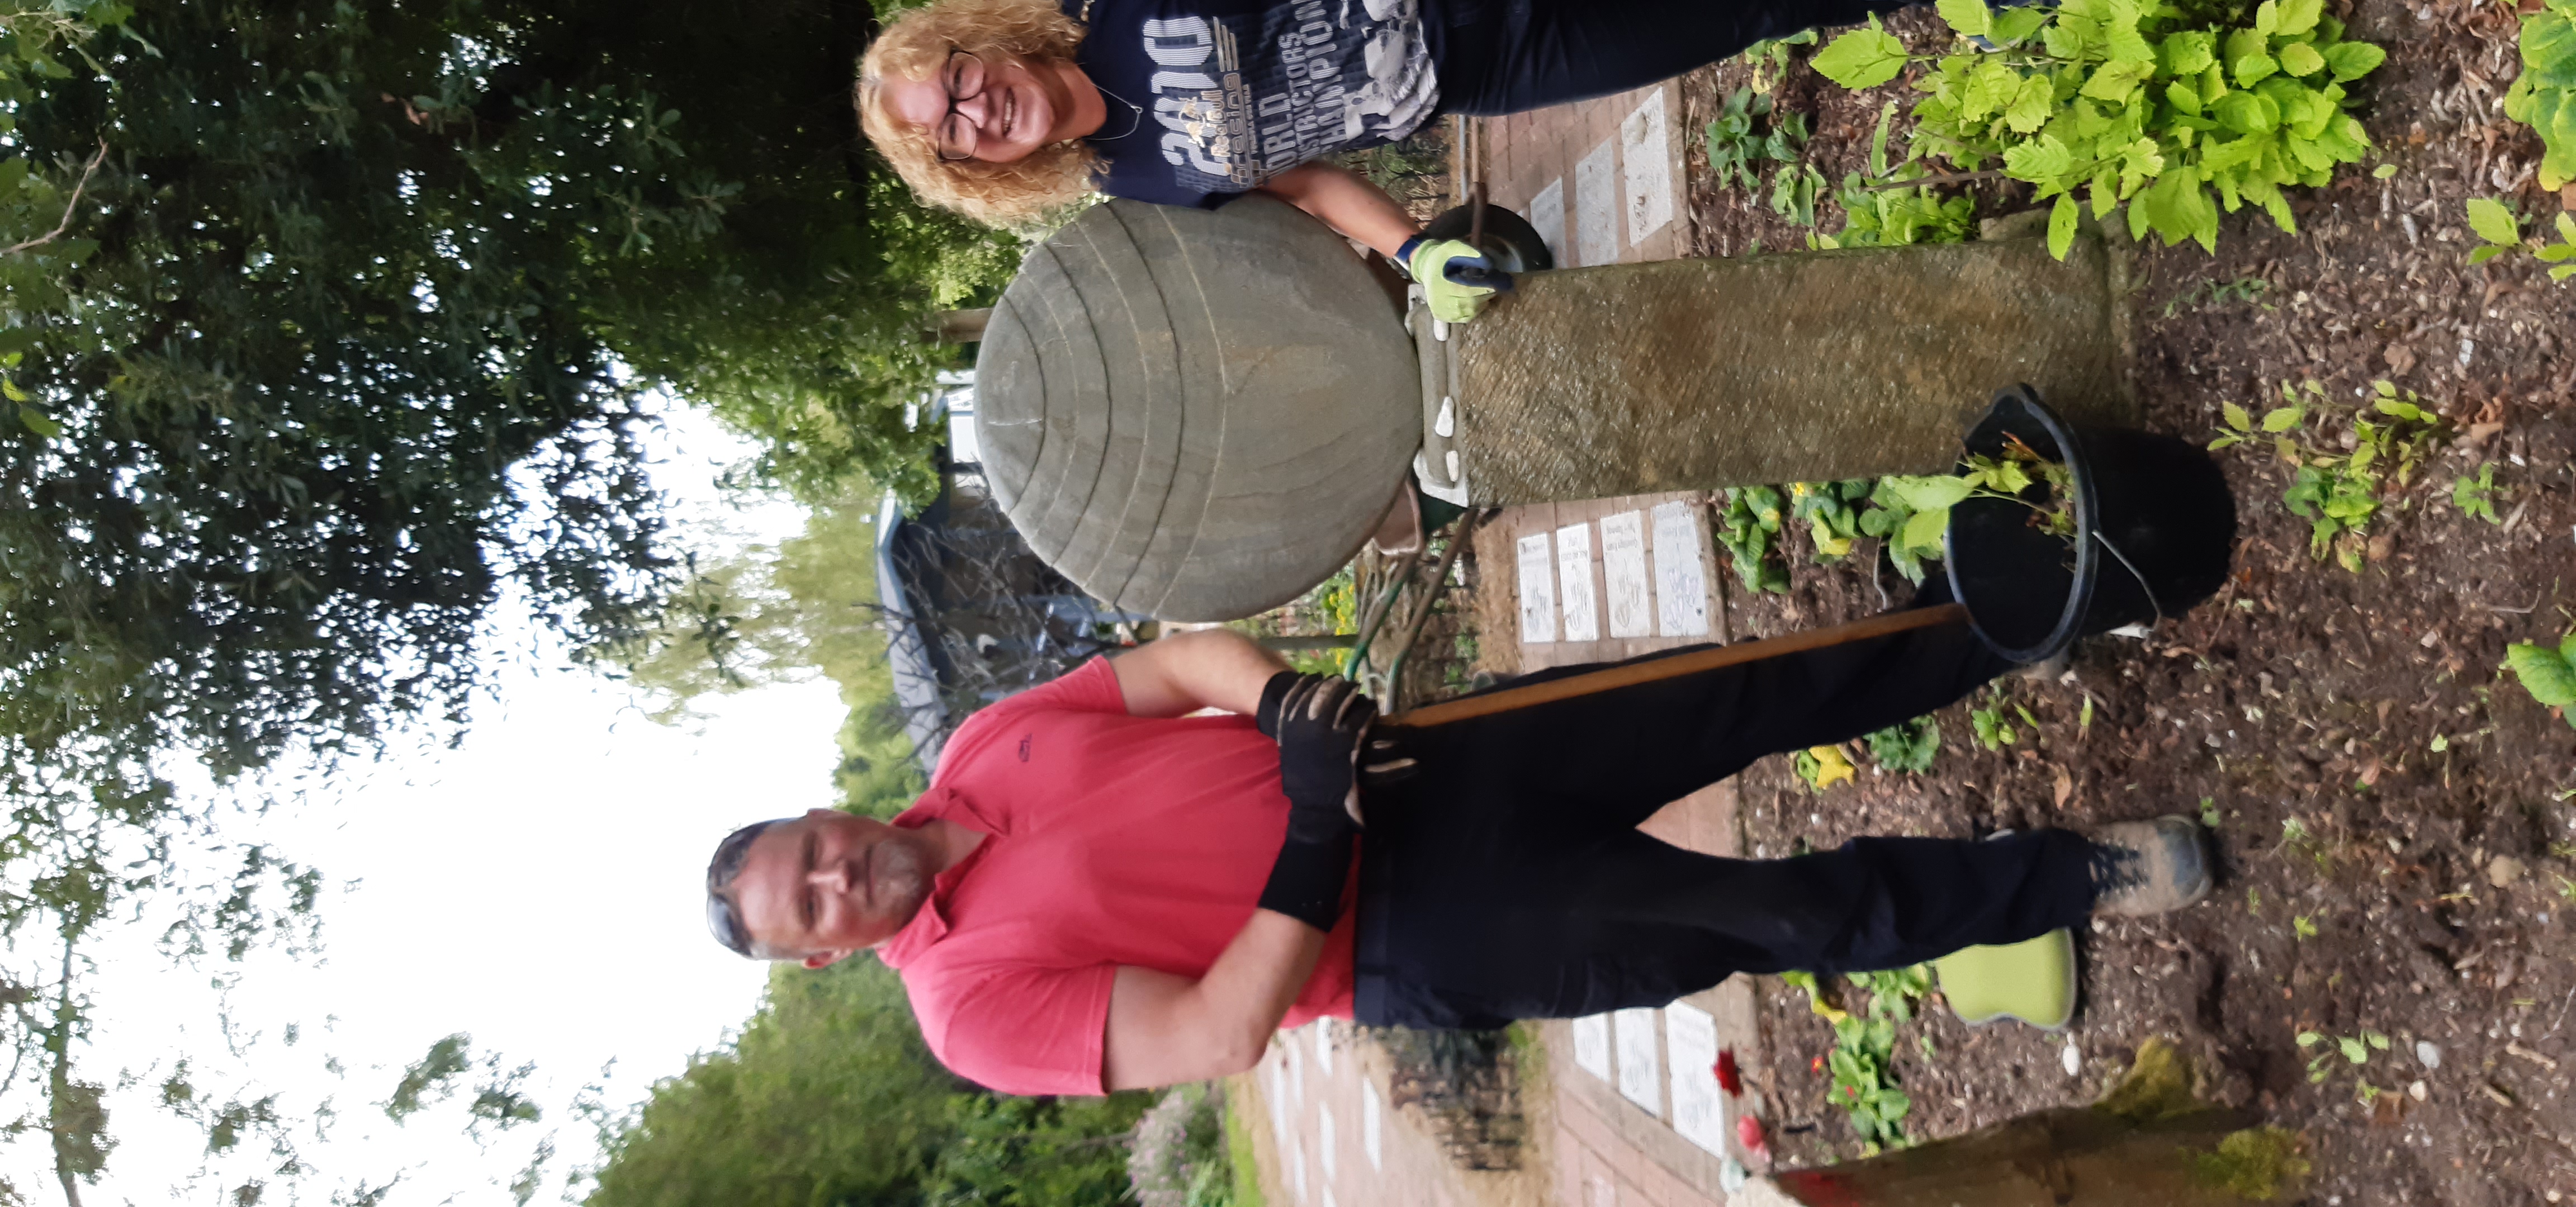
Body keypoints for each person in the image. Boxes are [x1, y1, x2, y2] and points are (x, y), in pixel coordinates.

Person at [702, 591, 2213, 1095]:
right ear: (827, 952)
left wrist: (1288, 703)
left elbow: (1169, 667)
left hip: (1426, 762)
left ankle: (2035, 617)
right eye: (810, 911)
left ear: (823, 814)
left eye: (809, 855)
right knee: (1777, 921)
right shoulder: (969, 1013)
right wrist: (1309, 833)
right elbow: (1217, 1033)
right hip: (1423, 931)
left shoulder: (979, 747)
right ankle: (2080, 875)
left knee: (1748, 688)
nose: (835, 880)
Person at [855, 0, 2101, 322]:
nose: (979, 106)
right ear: (973, 169)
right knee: (1761, 6)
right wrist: (1412, 249)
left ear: (975, 39)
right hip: (1494, 69)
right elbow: (1295, 180)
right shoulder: (1126, 177)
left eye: (958, 77)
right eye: (954, 129)